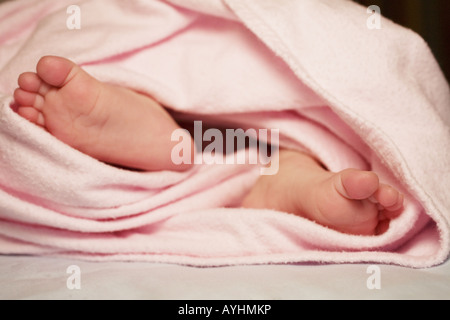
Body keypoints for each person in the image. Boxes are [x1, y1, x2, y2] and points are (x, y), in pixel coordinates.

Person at [13, 56, 404, 236]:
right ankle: (285, 179)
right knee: (280, 147)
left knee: (282, 147)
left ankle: (290, 180)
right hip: (254, 127)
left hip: (220, 120)